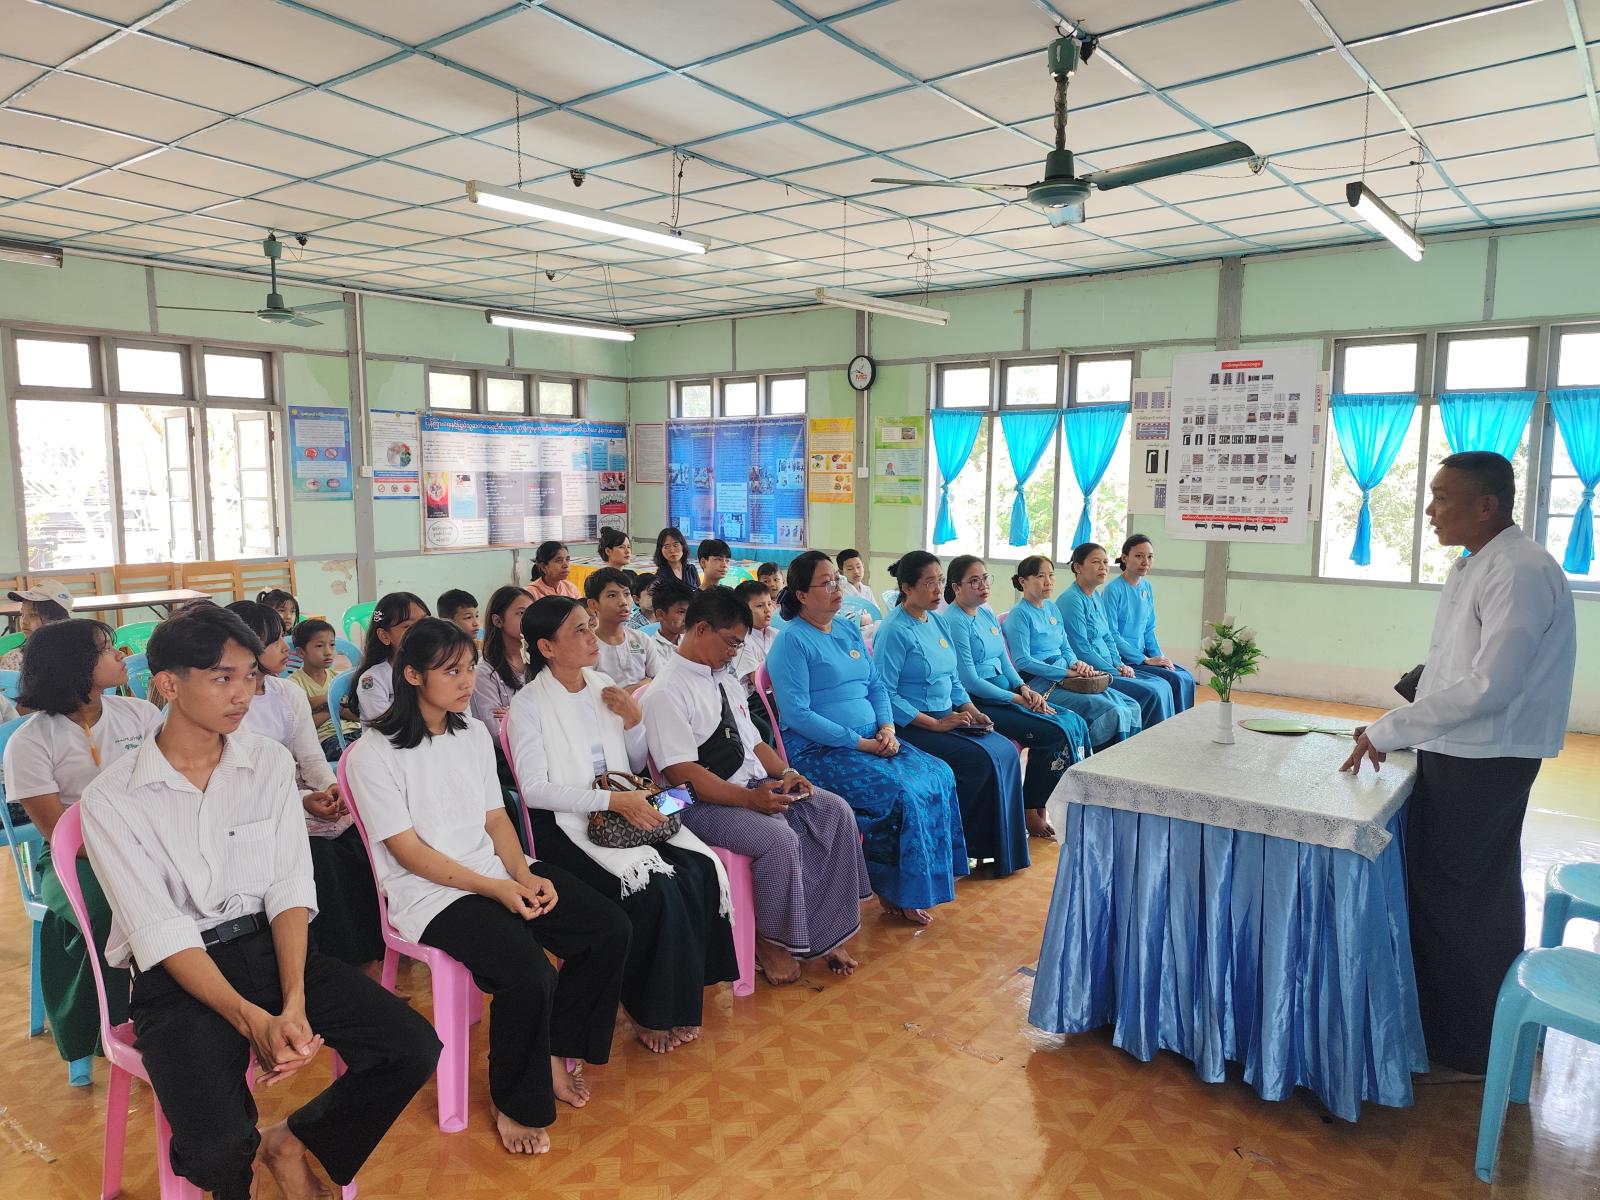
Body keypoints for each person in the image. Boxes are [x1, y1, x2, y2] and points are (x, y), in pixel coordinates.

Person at [79, 605, 440, 1199]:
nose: (243, 692)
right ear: (168, 684)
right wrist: (254, 1021)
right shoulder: (113, 798)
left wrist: (293, 1001)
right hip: (179, 977)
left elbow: (290, 888)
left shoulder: (268, 762)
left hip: (273, 950)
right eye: (223, 677)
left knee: (411, 1046)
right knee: (217, 1149)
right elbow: (161, 932)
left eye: (250, 675)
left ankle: (292, 1141)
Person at [345, 617, 629, 1155]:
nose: (466, 681)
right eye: (450, 671)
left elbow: (496, 818)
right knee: (528, 974)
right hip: (431, 894)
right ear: (412, 675)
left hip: (495, 871)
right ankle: (515, 1102)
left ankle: (553, 1050)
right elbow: (408, 852)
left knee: (607, 927)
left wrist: (523, 874)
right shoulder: (372, 754)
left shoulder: (472, 732)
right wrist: (495, 889)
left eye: (470, 668)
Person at [1340, 451, 1577, 1080]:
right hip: (1461, 747)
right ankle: (1462, 1028)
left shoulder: (1519, 570)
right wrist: (1407, 717)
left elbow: (1490, 685)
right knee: (1458, 888)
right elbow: (1453, 667)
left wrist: (1391, 729)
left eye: (1443, 498)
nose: (1430, 510)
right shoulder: (1477, 563)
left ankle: (1470, 1045)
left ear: (1486, 506)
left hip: (1487, 755)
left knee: (1462, 896)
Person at [505, 597, 737, 1054]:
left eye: (589, 626)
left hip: (625, 802)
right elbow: (533, 790)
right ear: (547, 647)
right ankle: (647, 1008)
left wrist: (633, 723)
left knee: (700, 867)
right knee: (654, 886)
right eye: (578, 631)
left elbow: (631, 764)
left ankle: (681, 995)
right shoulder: (528, 705)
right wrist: (613, 801)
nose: (592, 637)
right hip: (568, 823)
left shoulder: (603, 685)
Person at [642, 587, 870, 984]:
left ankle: (824, 930)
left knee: (834, 811)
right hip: (688, 801)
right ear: (701, 629)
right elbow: (681, 775)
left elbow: (755, 743)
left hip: (749, 784)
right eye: (731, 642)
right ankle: (770, 942)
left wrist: (786, 774)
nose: (735, 653)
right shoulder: (667, 691)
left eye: (740, 645)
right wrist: (750, 800)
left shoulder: (724, 679)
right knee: (778, 839)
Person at [765, 551, 967, 927]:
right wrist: (860, 744)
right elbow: (797, 715)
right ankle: (893, 888)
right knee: (901, 793)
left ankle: (928, 881)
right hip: (818, 750)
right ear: (802, 595)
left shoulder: (846, 629)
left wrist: (887, 728)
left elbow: (876, 686)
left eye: (836, 580)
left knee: (939, 772)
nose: (836, 588)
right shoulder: (791, 642)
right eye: (826, 582)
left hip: (872, 737)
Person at [2, 619, 160, 1072]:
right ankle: (114, 1026)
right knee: (111, 912)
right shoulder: (30, 742)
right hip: (73, 855)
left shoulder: (141, 716)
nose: (121, 656)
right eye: (107, 649)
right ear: (74, 665)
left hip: (150, 840)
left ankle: (178, 1013)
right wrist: (124, 855)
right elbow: (58, 831)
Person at [228, 602, 383, 970]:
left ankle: (374, 958)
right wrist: (303, 800)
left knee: (362, 842)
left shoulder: (287, 693)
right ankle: (339, 965)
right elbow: (247, 778)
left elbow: (311, 758)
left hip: (295, 795)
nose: (284, 648)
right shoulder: (231, 703)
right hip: (257, 806)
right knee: (323, 859)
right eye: (273, 641)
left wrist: (331, 787)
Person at [874, 554, 1028, 878]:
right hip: (913, 724)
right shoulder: (894, 630)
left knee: (1004, 750)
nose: (937, 589)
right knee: (979, 761)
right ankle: (964, 849)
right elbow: (886, 692)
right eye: (929, 583)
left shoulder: (937, 620)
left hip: (948, 715)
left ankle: (1000, 850)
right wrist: (934, 723)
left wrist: (972, 710)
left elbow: (954, 679)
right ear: (906, 588)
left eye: (940, 581)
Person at [945, 555, 1089, 840]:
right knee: (1053, 733)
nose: (983, 586)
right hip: (979, 702)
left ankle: (1052, 804)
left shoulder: (985, 613)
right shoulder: (954, 620)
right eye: (974, 581)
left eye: (985, 578)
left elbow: (1005, 660)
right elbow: (969, 680)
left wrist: (1023, 688)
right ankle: (1030, 809)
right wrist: (1015, 699)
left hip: (1007, 694)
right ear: (956, 587)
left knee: (1073, 721)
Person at [1003, 555, 1140, 749]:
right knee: (1112, 711)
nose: (1048, 581)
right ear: (1023, 581)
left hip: (1067, 677)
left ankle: (1127, 759)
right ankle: (1101, 762)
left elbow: (1065, 646)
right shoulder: (1020, 614)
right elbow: (1023, 661)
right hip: (1041, 684)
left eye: (1051, 575)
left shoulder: (1051, 608)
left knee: (1131, 705)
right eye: (1041, 576)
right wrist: (1066, 672)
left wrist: (1076, 663)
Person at [1059, 543, 1175, 729]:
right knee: (1151, 692)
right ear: (1078, 567)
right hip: (1093, 672)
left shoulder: (1096, 596)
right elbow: (1081, 649)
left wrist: (1120, 663)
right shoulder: (1071, 600)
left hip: (1111, 667)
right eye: (1096, 562)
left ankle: (1163, 737)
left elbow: (1108, 636)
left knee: (1163, 685)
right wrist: (1113, 671)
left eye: (1105, 562)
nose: (1103, 567)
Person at [1102, 534, 1197, 713]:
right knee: (1173, 681)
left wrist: (1160, 658)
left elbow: (1149, 629)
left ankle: (1180, 724)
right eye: (1139, 556)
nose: (1145, 562)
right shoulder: (1113, 590)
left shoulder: (1147, 587)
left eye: (1150, 556)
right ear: (1125, 558)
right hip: (1125, 660)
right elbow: (1111, 634)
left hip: (1144, 656)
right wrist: (1145, 659)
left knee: (1185, 678)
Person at [287, 619, 360, 760]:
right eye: (319, 646)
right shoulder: (293, 684)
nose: (328, 652)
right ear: (301, 652)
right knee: (354, 756)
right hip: (327, 740)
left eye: (332, 645)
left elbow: (359, 716)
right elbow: (301, 728)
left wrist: (333, 707)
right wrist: (331, 704)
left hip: (355, 730)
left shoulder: (339, 679)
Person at [352, 592, 429, 722]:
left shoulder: (437, 668)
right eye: (408, 626)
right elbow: (388, 727)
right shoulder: (372, 680)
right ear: (385, 636)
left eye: (425, 622)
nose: (422, 631)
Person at [588, 567, 663, 690]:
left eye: (626, 594)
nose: (623, 602)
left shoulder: (641, 639)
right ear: (593, 604)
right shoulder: (587, 646)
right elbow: (595, 696)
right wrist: (642, 684)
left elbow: (659, 681)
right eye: (612, 595)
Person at [472, 585, 533, 727]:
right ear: (498, 621)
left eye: (532, 613)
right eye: (521, 613)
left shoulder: (540, 660)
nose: (530, 620)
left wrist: (514, 715)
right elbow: (497, 729)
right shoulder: (485, 671)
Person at [1, 579, 73, 671]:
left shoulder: (79, 652)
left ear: (56, 618)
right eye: (22, 614)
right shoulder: (16, 660)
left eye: (33, 614)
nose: (24, 621)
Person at [836, 548, 882, 638]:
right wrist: (867, 618)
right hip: (852, 634)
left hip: (870, 630)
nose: (856, 571)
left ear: (863, 566)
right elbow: (848, 620)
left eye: (858, 567)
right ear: (841, 572)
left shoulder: (867, 590)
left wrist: (865, 618)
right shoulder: (841, 592)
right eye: (850, 569)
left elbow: (877, 614)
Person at [649, 576, 693, 659]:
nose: (687, 618)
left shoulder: (691, 640)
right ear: (661, 615)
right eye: (681, 612)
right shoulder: (652, 648)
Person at [653, 526, 699, 590]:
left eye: (675, 545)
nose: (672, 550)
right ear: (660, 550)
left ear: (683, 546)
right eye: (667, 547)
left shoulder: (691, 570)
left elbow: (699, 593)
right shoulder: (660, 577)